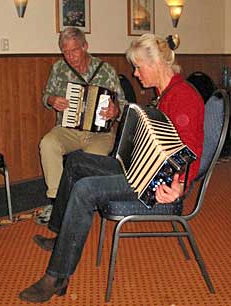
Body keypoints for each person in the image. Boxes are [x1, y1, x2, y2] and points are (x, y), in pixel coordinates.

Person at [19, 33, 204, 303]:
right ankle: (61, 235)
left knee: (85, 189)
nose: (136, 74)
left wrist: (179, 187)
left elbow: (191, 151)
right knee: (76, 161)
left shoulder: (183, 96)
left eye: (139, 67)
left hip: (155, 184)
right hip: (139, 169)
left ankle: (56, 276)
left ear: (156, 65)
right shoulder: (165, 95)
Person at [36, 27, 125, 224]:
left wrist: (115, 111)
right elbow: (46, 95)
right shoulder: (59, 69)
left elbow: (124, 105)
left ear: (85, 46)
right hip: (68, 129)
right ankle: (56, 201)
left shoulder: (106, 70)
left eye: (74, 50)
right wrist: (52, 100)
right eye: (65, 52)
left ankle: (85, 202)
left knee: (91, 158)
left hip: (99, 133)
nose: (69, 56)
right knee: (47, 143)